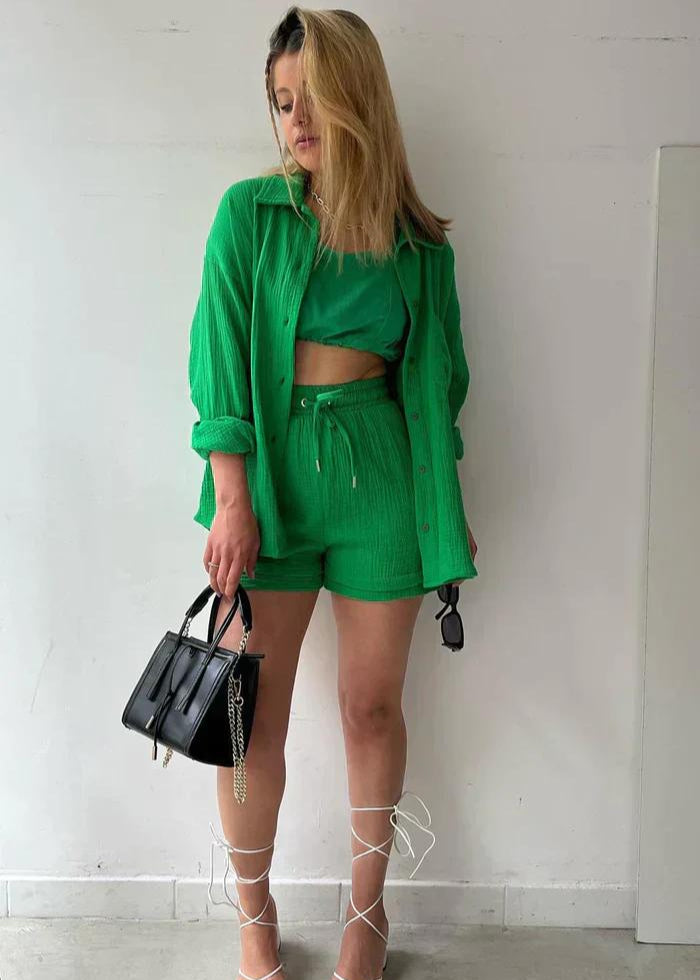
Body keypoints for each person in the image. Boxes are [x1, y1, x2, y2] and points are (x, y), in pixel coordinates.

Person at [187, 8, 478, 980]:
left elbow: (440, 386)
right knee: (246, 718)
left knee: (370, 708)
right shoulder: (248, 214)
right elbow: (216, 364)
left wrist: (439, 512)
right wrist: (232, 497)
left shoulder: (418, 245)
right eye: (282, 102)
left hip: (381, 476)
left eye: (313, 98)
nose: (297, 121)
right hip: (269, 479)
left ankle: (366, 910)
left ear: (360, 99)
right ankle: (253, 913)